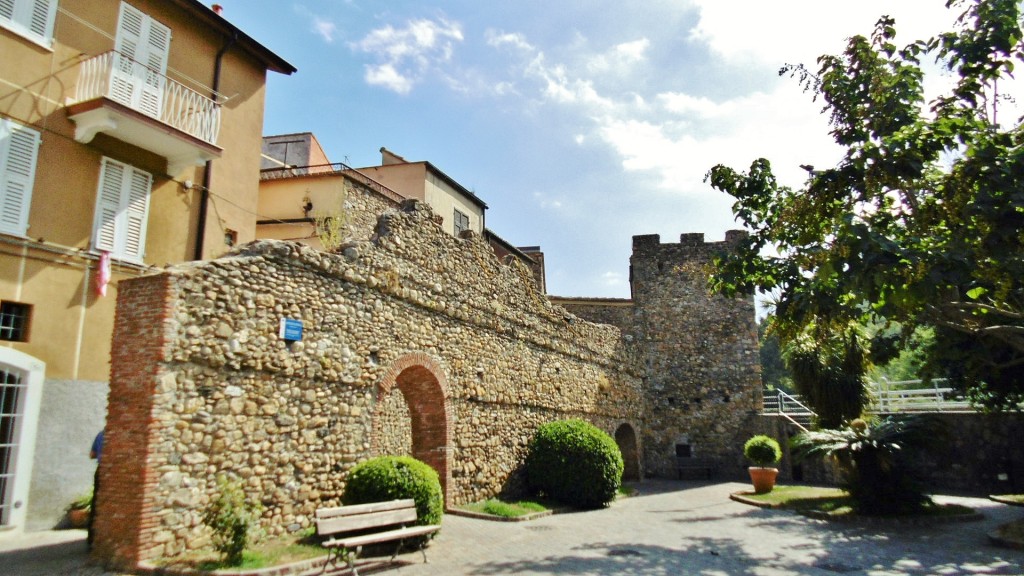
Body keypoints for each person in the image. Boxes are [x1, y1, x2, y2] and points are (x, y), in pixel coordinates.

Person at [87, 430, 103, 550]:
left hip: (100, 470)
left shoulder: (101, 434)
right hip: (110, 471)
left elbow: (92, 455)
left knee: (96, 503)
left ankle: (92, 539)